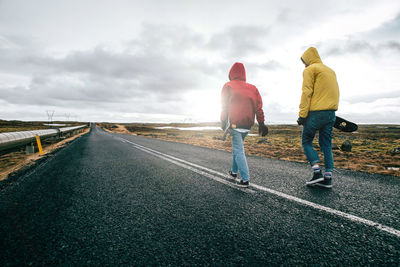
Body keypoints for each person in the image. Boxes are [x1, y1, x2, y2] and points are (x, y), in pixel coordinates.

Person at [297, 47, 340, 188]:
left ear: (307, 59)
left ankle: (317, 172)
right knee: (326, 143)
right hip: (331, 113)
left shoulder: (310, 70)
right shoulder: (330, 70)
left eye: (304, 62)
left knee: (306, 141)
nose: (304, 65)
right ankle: (328, 178)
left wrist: (302, 115)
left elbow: (306, 92)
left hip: (315, 113)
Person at [221, 62, 268, 188]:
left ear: (231, 73)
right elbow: (258, 108)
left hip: (235, 124)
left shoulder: (228, 86)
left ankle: (245, 179)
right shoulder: (253, 88)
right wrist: (262, 123)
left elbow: (224, 106)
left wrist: (223, 122)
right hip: (247, 126)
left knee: (238, 150)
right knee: (238, 148)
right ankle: (234, 172)